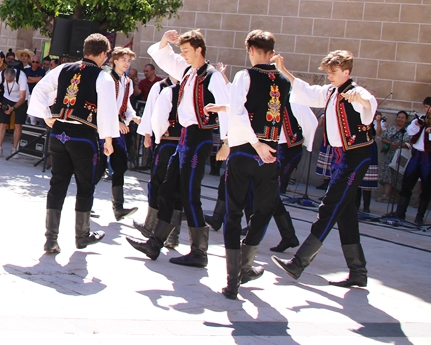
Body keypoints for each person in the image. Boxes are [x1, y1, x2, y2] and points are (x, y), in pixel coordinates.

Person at [217, 30, 316, 299]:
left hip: (244, 152)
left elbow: (238, 111)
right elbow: (283, 114)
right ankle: (245, 265)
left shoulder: (244, 76)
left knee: (234, 213)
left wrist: (252, 142)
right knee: (263, 210)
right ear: (271, 52)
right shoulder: (283, 80)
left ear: (250, 49)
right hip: (270, 154)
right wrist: (268, 144)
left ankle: (233, 279)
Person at [271, 50, 377, 289]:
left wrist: (360, 100)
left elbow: (369, 102)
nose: (330, 76)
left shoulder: (355, 91)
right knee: (346, 214)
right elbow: (306, 91)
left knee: (329, 207)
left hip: (356, 158)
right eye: (329, 72)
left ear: (347, 72)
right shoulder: (330, 92)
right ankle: (358, 271)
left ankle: (299, 263)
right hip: (341, 159)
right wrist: (283, 69)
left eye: (334, 72)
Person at [126, 29, 229, 268]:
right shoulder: (187, 72)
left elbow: (228, 106)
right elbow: (163, 56)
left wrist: (226, 142)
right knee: (168, 188)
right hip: (184, 138)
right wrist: (165, 39)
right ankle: (155, 243)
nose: (182, 55)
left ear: (199, 50)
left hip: (200, 137)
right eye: (181, 51)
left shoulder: (212, 76)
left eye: (186, 51)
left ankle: (199, 252)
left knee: (190, 193)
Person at [28, 33, 119, 254]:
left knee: (57, 184)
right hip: (83, 137)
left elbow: (39, 90)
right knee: (85, 186)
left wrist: (46, 115)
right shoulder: (103, 77)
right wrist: (108, 139)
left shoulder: (63, 69)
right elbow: (107, 109)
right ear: (103, 54)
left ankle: (51, 239)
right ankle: (82, 236)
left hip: (59, 134)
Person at [134, 76, 182, 248]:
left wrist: (155, 136)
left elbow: (155, 117)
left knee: (159, 184)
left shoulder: (168, 88)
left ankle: (151, 227)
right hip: (183, 145)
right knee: (175, 188)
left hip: (168, 142)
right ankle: (170, 235)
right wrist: (147, 134)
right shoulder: (161, 86)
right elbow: (150, 110)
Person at [391, 97, 431, 226]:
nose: (429, 109)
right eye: (427, 107)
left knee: (426, 187)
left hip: (429, 156)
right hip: (416, 155)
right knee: (407, 182)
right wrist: (417, 125)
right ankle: (400, 213)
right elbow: (410, 132)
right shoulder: (420, 119)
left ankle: (419, 217)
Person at [98, 46, 141, 220]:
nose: (126, 63)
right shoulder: (106, 78)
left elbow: (125, 105)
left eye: (129, 60)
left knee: (120, 166)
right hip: (103, 128)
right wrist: (116, 121)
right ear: (114, 60)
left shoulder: (127, 82)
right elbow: (103, 106)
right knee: (98, 168)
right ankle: (85, 201)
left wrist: (133, 117)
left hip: (117, 130)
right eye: (123, 59)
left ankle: (118, 207)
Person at [0, 66, 28, 157]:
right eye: (7, 80)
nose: (8, 82)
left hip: (21, 100)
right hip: (7, 97)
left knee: (18, 125)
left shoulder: (22, 77)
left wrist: (12, 109)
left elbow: (22, 98)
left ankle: (14, 149)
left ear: (15, 76)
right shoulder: (0, 75)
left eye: (10, 81)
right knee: (2, 123)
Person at [377, 111, 409, 202]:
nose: (400, 119)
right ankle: (386, 195)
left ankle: (395, 197)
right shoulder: (391, 128)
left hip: (400, 156)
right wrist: (390, 143)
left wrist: (399, 145)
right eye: (399, 117)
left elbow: (410, 143)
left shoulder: (408, 131)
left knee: (397, 175)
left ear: (406, 120)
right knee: (387, 174)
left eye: (402, 118)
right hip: (389, 154)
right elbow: (382, 138)